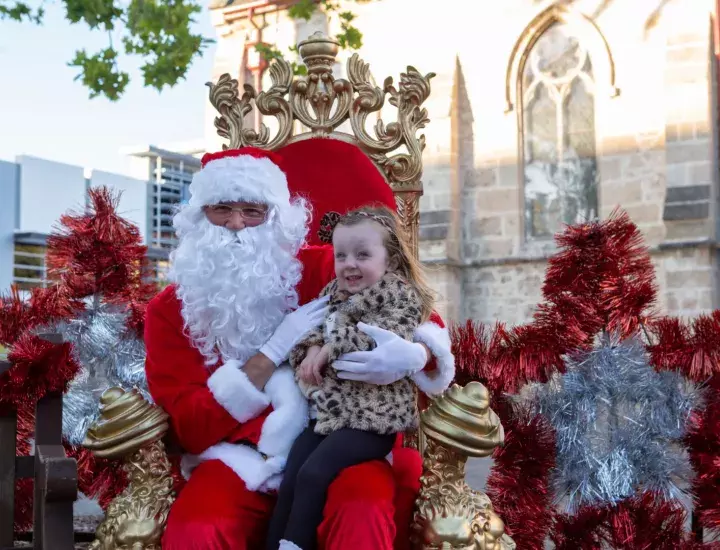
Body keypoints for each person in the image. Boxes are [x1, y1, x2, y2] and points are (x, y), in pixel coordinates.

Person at [143, 145, 455, 550]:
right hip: (238, 459)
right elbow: (192, 428)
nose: (237, 224)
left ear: (275, 217)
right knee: (197, 531)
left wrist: (413, 353)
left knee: (364, 512)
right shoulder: (170, 310)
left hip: (336, 440)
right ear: (199, 216)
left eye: (253, 211)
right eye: (221, 209)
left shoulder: (323, 267)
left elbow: (415, 310)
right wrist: (270, 354)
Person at [267, 206, 437, 550]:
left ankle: (294, 545)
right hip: (328, 415)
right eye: (341, 255)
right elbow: (309, 329)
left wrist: (331, 349)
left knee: (314, 475)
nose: (349, 264)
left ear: (388, 260)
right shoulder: (332, 292)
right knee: (292, 477)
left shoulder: (400, 294)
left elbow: (388, 334)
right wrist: (313, 349)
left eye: (363, 255)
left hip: (373, 420)